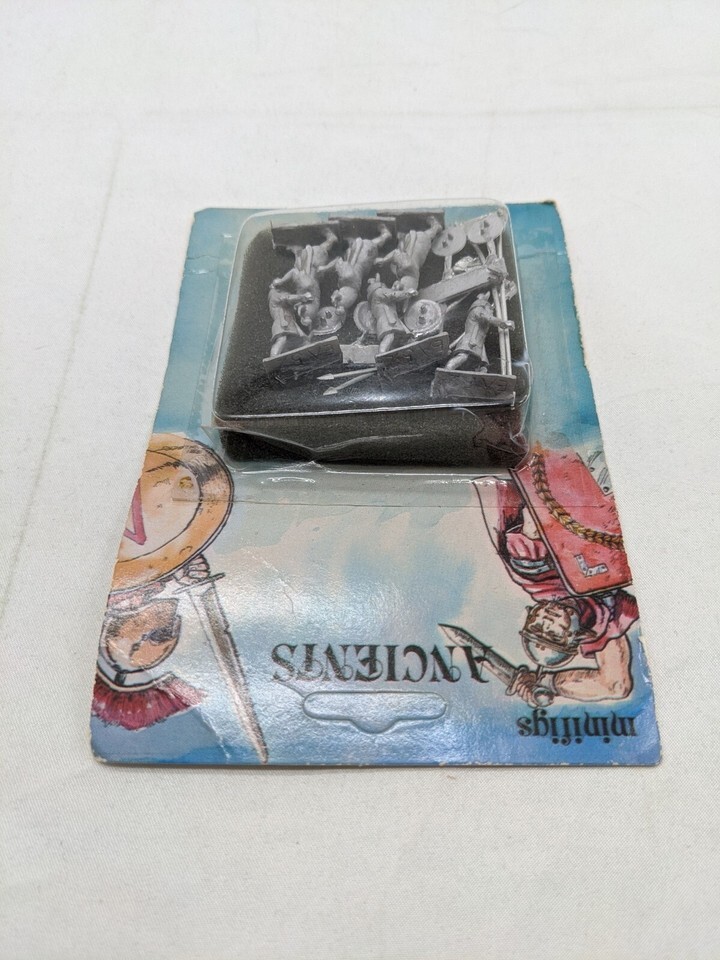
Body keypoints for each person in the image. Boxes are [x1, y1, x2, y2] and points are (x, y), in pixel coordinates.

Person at [477, 457, 637, 703]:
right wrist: (546, 683)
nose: (547, 622)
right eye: (552, 634)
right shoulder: (604, 618)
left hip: (561, 463)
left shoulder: (531, 569)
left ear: (531, 616)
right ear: (576, 638)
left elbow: (538, 511)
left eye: (537, 627)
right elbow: (615, 686)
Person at [444, 292, 513, 372]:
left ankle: (480, 375)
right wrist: (503, 323)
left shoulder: (483, 320)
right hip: (471, 339)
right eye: (490, 308)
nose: (491, 311)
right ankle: (448, 368)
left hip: (479, 343)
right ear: (483, 306)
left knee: (483, 364)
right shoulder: (477, 310)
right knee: (463, 356)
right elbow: (489, 318)